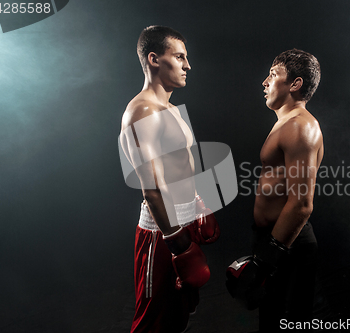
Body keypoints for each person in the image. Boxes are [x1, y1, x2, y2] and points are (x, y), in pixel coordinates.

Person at [119, 26, 219, 333]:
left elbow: (181, 167)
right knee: (153, 322)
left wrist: (198, 204)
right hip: (162, 234)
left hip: (183, 223)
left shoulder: (173, 110)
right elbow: (151, 188)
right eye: (179, 57)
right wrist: (178, 243)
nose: (187, 65)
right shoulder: (141, 111)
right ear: (154, 59)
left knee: (178, 317)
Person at [226, 49, 323, 332]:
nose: (265, 82)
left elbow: (302, 205)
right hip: (272, 241)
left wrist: (268, 258)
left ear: (295, 84)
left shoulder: (300, 127)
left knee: (288, 323)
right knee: (270, 321)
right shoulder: (284, 123)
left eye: (273, 74)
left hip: (288, 244)